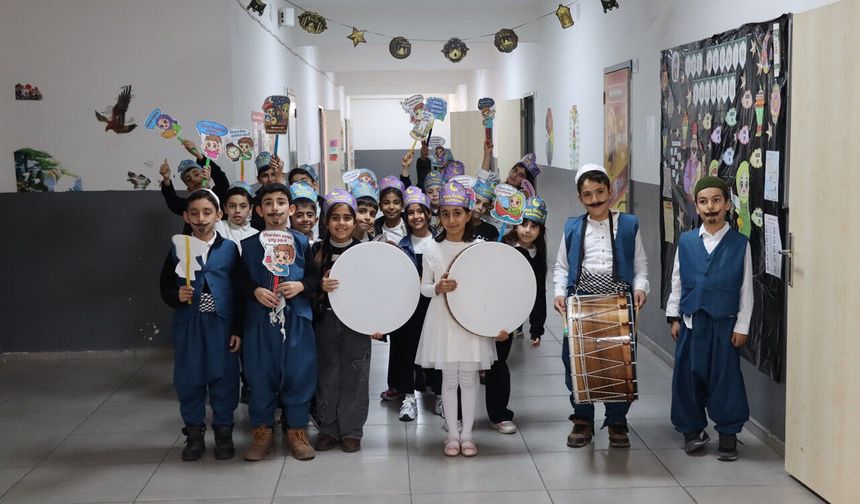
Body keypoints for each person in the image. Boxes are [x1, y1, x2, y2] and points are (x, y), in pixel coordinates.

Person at [552, 164, 649, 449]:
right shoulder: (572, 227)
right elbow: (561, 267)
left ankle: (617, 420)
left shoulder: (629, 224)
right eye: (587, 195)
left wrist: (641, 287)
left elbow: (640, 265)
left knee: (618, 362)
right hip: (581, 302)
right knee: (576, 361)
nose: (595, 199)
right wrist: (559, 293)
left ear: (611, 191)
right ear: (580, 197)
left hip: (618, 302)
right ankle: (583, 419)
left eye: (600, 192)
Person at [415, 181, 509, 457]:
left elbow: (488, 287)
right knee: (448, 377)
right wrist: (437, 288)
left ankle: (468, 435)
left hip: (470, 320)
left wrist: (494, 319)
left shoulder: (477, 248)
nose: (451, 219)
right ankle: (452, 435)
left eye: (457, 213)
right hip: (442, 319)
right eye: (445, 213)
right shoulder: (430, 248)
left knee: (469, 377)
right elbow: (423, 287)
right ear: (439, 216)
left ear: (469, 215)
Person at [665, 175, 752, 462]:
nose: (710, 207)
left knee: (725, 380)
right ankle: (692, 430)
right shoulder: (687, 242)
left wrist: (742, 325)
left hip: (725, 324)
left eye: (716, 200)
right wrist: (674, 317)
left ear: (727, 204)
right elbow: (677, 283)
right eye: (704, 202)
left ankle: (728, 434)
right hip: (691, 323)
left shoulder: (740, 244)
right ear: (696, 206)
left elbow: (746, 290)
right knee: (688, 379)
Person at [234, 183, 319, 462]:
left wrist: (301, 285)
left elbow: (315, 278)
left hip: (296, 319)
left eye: (281, 202)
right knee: (260, 375)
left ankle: (296, 429)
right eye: (268, 203)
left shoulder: (302, 243)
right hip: (260, 322)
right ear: (258, 210)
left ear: (291, 209)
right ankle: (263, 430)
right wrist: (254, 290)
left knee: (298, 373)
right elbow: (240, 280)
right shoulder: (247, 246)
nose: (275, 209)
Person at [159, 189, 241, 461]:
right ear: (185, 215)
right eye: (194, 213)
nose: (201, 218)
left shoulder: (229, 250)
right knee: (189, 379)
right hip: (190, 325)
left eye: (207, 212)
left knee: (224, 378)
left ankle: (223, 433)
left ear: (219, 215)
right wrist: (175, 296)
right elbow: (165, 286)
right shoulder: (177, 248)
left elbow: (239, 292)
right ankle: (194, 435)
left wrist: (237, 329)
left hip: (221, 325)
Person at [311, 189, 383, 453]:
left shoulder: (366, 252)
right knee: (328, 373)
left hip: (357, 323)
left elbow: (377, 289)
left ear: (355, 222)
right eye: (335, 218)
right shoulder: (316, 250)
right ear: (327, 222)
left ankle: (352, 429)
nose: (341, 223)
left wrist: (378, 322)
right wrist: (320, 285)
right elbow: (307, 288)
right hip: (325, 322)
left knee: (356, 372)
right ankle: (329, 427)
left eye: (347, 218)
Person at [389, 187, 437, 421]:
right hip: (409, 307)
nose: (416, 216)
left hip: (435, 304)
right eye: (411, 212)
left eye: (420, 211)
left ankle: (439, 394)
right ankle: (408, 396)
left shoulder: (440, 242)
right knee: (407, 348)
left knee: (436, 347)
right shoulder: (402, 245)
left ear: (429, 214)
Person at [159, 139, 230, 218]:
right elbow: (173, 201)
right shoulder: (188, 205)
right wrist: (166, 179)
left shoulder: (220, 194)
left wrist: (198, 155)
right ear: (188, 189)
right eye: (188, 180)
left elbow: (220, 177)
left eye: (196, 174)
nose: (194, 179)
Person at [215, 182, 258, 252]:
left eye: (243, 206)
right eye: (232, 206)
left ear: (250, 209)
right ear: (225, 208)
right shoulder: (217, 226)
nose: (237, 211)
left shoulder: (256, 234)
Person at [373, 176, 407, 245]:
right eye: (386, 203)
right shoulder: (374, 228)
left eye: (396, 202)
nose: (391, 207)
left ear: (402, 206)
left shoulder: (411, 226)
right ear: (380, 206)